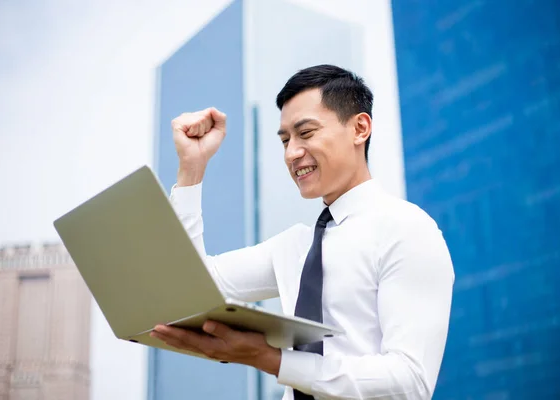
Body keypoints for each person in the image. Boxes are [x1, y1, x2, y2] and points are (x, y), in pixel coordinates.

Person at [150, 64, 455, 400]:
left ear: (360, 128)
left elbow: (410, 381)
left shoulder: (407, 229)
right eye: (285, 140)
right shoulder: (294, 246)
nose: (292, 152)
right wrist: (191, 169)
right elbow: (189, 289)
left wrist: (272, 359)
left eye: (306, 133)